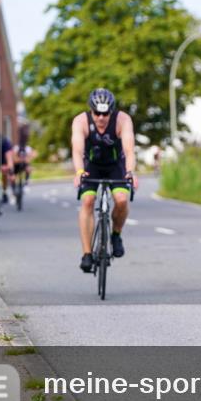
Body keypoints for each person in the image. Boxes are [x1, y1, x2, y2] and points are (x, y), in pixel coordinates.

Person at [71, 88, 140, 272]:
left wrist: (131, 172)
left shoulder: (123, 120)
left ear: (111, 111)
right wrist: (78, 171)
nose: (101, 118)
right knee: (87, 200)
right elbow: (77, 150)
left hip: (116, 165)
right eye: (97, 113)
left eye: (105, 113)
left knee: (122, 200)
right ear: (91, 111)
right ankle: (86, 253)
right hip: (91, 165)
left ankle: (116, 234)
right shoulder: (80, 121)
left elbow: (129, 150)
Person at [13, 124, 36, 189]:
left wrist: (27, 159)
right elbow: (14, 159)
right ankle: (13, 188)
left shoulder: (27, 148)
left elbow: (29, 158)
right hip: (16, 166)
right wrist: (21, 160)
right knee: (12, 176)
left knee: (29, 169)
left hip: (24, 165)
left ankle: (26, 182)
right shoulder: (16, 148)